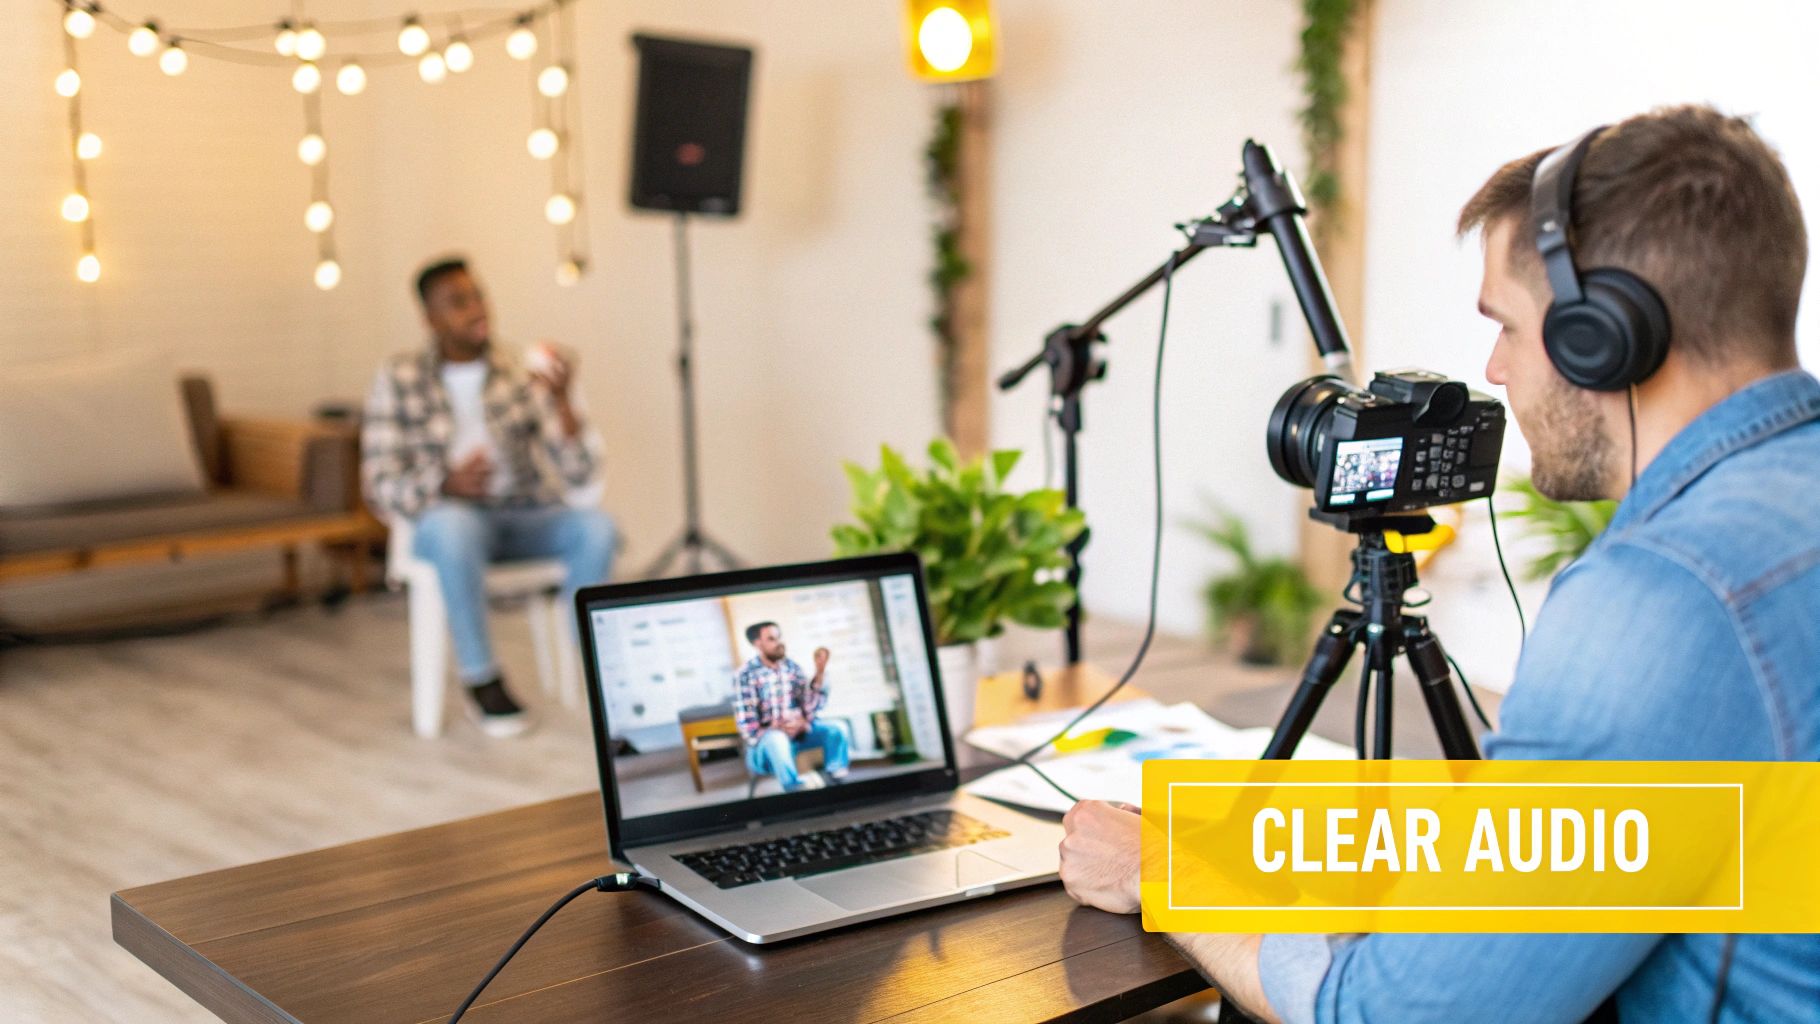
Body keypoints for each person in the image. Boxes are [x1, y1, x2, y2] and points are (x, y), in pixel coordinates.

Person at [1057, 105, 1820, 1022]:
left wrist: (1159, 868)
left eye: (1505, 325)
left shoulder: (1661, 597)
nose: (1494, 371)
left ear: (1604, 336)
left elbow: (1395, 1013)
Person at [362, 257, 616, 737]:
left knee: (598, 527)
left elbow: (579, 474)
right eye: (459, 302)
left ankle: (597, 664)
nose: (477, 308)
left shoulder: (517, 372)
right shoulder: (399, 376)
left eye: (478, 295)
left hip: (520, 517)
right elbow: (379, 482)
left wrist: (565, 403)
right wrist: (444, 482)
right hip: (446, 523)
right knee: (454, 524)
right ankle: (482, 678)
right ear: (430, 319)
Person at [733, 622, 850, 792]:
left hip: (798, 737)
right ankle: (794, 789)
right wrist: (777, 729)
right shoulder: (745, 675)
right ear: (757, 643)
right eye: (772, 639)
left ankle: (835, 778)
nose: (779, 642)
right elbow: (747, 728)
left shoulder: (792, 668)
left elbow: (811, 709)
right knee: (777, 739)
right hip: (765, 747)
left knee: (837, 728)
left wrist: (819, 673)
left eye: (779, 637)